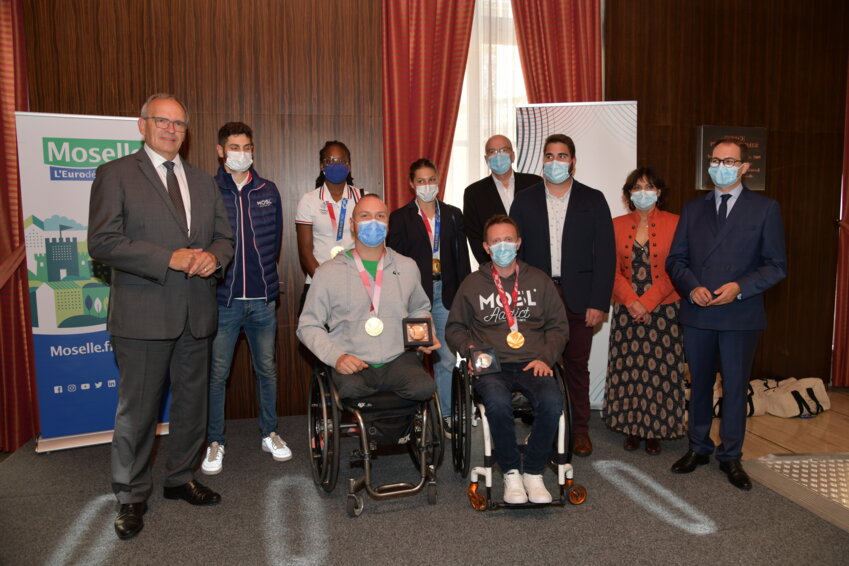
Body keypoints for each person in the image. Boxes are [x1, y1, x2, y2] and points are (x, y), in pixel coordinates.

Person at [88, 93, 234, 540]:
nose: (171, 130)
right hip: (143, 316)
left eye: (179, 124)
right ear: (142, 125)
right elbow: (103, 242)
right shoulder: (115, 175)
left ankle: (180, 478)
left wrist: (214, 258)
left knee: (192, 406)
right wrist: (167, 258)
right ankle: (131, 496)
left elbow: (224, 239)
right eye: (162, 122)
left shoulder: (203, 181)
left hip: (196, 314)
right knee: (138, 412)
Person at [667, 137, 786, 491]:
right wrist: (691, 286)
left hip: (740, 314)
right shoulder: (693, 208)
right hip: (699, 311)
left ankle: (731, 455)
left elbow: (777, 265)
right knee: (699, 385)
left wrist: (740, 287)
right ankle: (698, 447)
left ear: (745, 168)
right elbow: (676, 260)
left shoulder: (765, 208)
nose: (721, 166)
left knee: (735, 388)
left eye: (730, 161)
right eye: (716, 160)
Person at [446, 215, 568, 504]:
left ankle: (534, 472)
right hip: (492, 365)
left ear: (519, 243)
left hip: (533, 362)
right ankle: (511, 471)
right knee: (497, 405)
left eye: (508, 240)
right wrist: (471, 350)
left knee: (552, 402)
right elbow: (454, 329)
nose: (503, 246)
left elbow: (559, 327)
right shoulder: (473, 283)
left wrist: (546, 358)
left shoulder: (539, 280)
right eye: (496, 241)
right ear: (487, 247)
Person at [509, 133, 615, 456]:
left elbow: (606, 255)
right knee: (536, 365)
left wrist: (599, 303)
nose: (556, 162)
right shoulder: (524, 200)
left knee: (576, 366)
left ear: (573, 161)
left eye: (562, 156)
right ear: (543, 161)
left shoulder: (593, 199)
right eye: (550, 156)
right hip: (537, 298)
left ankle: (580, 430)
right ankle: (544, 427)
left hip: (580, 299)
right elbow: (514, 253)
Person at [201, 122, 289, 476]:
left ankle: (270, 432)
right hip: (223, 301)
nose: (242, 152)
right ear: (221, 151)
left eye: (247, 146)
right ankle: (215, 440)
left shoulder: (268, 190)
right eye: (234, 146)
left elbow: (275, 243)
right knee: (217, 373)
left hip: (263, 300)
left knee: (266, 370)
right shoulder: (207, 190)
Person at [297, 194, 438, 402]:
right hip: (353, 360)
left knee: (424, 387)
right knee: (351, 392)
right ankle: (379, 433)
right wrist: (337, 358)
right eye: (365, 216)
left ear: (388, 225)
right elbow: (308, 326)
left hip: (398, 358)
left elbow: (420, 308)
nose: (373, 222)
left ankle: (397, 433)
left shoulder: (407, 266)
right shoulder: (327, 272)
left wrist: (425, 333)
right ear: (353, 225)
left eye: (380, 216)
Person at [604, 168, 685, 455]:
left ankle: (655, 430)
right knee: (629, 369)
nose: (642, 192)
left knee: (659, 371)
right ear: (628, 194)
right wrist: (631, 301)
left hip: (663, 309)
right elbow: (610, 271)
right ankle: (632, 428)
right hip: (627, 309)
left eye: (649, 187)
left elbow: (677, 269)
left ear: (659, 192)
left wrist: (647, 302)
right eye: (636, 187)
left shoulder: (676, 224)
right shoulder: (614, 225)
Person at [387, 158, 471, 435]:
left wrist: (463, 296)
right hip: (414, 297)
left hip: (446, 293)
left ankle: (446, 415)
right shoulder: (400, 218)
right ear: (412, 185)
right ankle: (414, 419)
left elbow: (462, 261)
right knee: (412, 359)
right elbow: (394, 263)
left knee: (446, 358)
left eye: (431, 180)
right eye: (420, 181)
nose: (427, 186)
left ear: (438, 181)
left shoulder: (454, 214)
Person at [295, 141, 366, 312]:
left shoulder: (362, 198)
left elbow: (370, 245)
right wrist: (324, 282)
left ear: (349, 166)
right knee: (314, 336)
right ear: (322, 165)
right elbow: (305, 251)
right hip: (317, 282)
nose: (336, 165)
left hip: (356, 283)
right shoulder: (309, 200)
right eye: (330, 160)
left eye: (342, 161)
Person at [463, 135, 542, 264]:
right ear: (486, 159)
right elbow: (475, 237)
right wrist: (492, 269)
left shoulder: (534, 183)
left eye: (504, 150)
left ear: (512, 156)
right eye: (492, 151)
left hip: (534, 267)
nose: (498, 155)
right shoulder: (473, 193)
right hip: (496, 270)